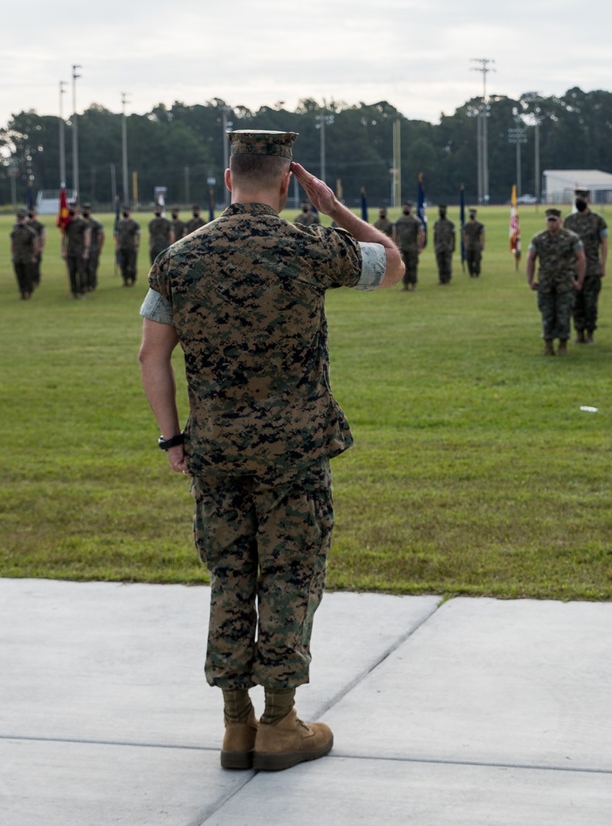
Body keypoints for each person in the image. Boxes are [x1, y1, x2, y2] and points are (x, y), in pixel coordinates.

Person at [137, 129, 404, 773]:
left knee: (231, 574)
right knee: (289, 575)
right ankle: (281, 723)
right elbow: (391, 264)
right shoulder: (310, 244)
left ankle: (236, 725)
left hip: (217, 450)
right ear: (287, 184)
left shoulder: (178, 257)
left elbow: (152, 355)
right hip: (295, 451)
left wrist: (173, 438)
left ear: (227, 179)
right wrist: (334, 208)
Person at [527, 208, 586, 355]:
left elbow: (581, 258)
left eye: (554, 220)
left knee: (563, 314)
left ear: (560, 221)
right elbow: (531, 259)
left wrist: (579, 280)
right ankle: (548, 344)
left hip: (565, 284)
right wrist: (530, 280)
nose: (552, 224)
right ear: (546, 221)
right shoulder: (538, 239)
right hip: (545, 283)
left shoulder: (571, 238)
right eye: (549, 220)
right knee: (547, 314)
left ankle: (562, 344)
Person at [564, 188, 607, 344]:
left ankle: (590, 333)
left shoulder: (598, 220)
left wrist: (603, 265)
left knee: (590, 303)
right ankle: (579, 333)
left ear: (589, 200)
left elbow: (604, 243)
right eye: (577, 200)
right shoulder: (568, 221)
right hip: (573, 268)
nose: (580, 202)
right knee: (576, 303)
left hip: (592, 267)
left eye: (582, 199)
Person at [394, 202, 424, 289]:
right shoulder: (399, 221)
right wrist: (396, 246)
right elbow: (395, 234)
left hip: (412, 248)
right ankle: (405, 285)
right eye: (404, 208)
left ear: (411, 209)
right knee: (403, 267)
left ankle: (413, 284)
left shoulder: (416, 221)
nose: (406, 209)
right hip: (402, 247)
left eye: (407, 208)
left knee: (413, 266)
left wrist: (420, 246)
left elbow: (421, 234)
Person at [63, 206, 90, 298]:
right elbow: (64, 236)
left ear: (77, 211)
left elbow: (87, 236)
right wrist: (63, 250)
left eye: (73, 210)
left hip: (80, 251)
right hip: (70, 251)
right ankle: (74, 291)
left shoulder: (83, 223)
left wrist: (86, 250)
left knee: (81, 271)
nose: (71, 212)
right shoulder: (67, 223)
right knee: (71, 272)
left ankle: (82, 291)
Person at [10, 211, 38, 299]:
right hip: (18, 257)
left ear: (25, 220)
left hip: (27, 257)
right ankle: (22, 292)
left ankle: (29, 292)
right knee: (19, 276)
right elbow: (13, 245)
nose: (20, 222)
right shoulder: (14, 232)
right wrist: (12, 255)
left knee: (28, 275)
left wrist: (34, 256)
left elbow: (35, 244)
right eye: (19, 220)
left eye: (22, 220)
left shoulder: (31, 232)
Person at [82, 204, 105, 291]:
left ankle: (93, 284)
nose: (85, 211)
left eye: (87, 210)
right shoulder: (80, 222)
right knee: (84, 269)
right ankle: (85, 285)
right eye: (84, 209)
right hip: (82, 249)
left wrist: (99, 247)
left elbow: (101, 236)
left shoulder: (96, 223)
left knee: (92, 268)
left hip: (93, 249)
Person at [116, 208, 141, 286]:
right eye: (124, 211)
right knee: (123, 265)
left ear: (130, 212)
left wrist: (137, 245)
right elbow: (118, 235)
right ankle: (125, 280)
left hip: (131, 247)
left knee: (132, 265)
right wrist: (117, 245)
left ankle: (133, 280)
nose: (125, 212)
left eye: (126, 211)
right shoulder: (120, 223)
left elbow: (137, 235)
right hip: (122, 247)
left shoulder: (134, 223)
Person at [432, 205, 455, 283]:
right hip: (439, 247)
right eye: (440, 211)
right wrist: (435, 246)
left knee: (447, 263)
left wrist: (453, 245)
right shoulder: (436, 224)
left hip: (447, 246)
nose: (441, 212)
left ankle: (448, 279)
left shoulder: (450, 224)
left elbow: (453, 236)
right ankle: (441, 279)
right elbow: (434, 236)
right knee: (440, 264)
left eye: (443, 211)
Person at [463, 208, 485, 276]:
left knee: (477, 260)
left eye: (472, 214)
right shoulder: (466, 225)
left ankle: (477, 272)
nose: (471, 215)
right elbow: (464, 235)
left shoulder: (480, 225)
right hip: (469, 245)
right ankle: (471, 273)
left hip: (476, 244)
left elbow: (483, 235)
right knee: (469, 260)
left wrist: (482, 244)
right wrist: (465, 244)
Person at [26, 208, 45, 287]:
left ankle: (36, 280)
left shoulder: (39, 225)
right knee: (28, 265)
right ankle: (29, 280)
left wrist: (42, 246)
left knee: (36, 265)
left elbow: (43, 236)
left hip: (36, 248)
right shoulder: (25, 224)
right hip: (27, 248)